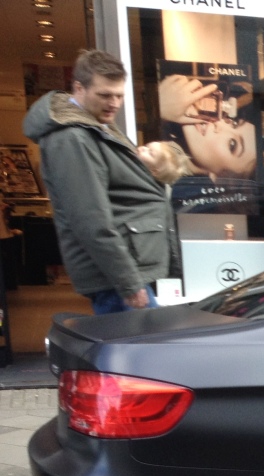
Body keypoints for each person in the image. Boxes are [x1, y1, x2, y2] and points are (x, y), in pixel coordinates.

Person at [22, 49, 178, 314]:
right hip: (116, 279)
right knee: (139, 352)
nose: (114, 103)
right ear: (78, 89)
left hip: (124, 271)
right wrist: (128, 283)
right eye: (105, 95)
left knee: (141, 350)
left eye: (119, 96)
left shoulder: (94, 125)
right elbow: (90, 219)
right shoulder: (73, 138)